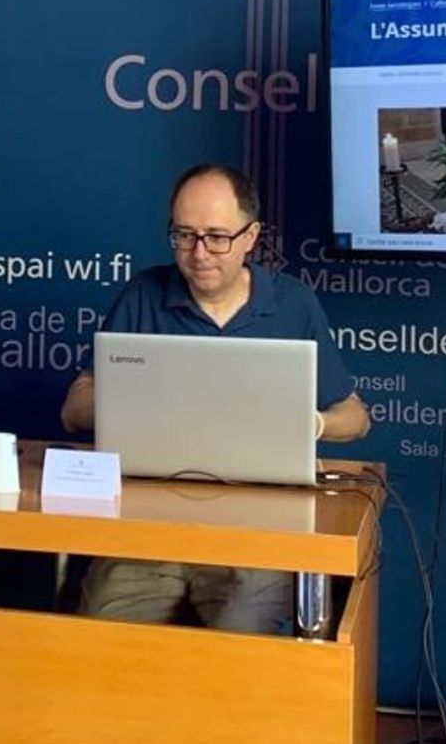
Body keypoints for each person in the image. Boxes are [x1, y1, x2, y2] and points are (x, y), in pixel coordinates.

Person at [60, 164, 371, 633]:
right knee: (99, 632)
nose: (199, 253)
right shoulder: (143, 295)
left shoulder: (292, 303)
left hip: (257, 535)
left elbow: (357, 418)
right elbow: (73, 410)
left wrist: (312, 424)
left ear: (251, 237)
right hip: (147, 529)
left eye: (216, 237)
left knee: (241, 631)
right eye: (184, 235)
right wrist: (135, 401)